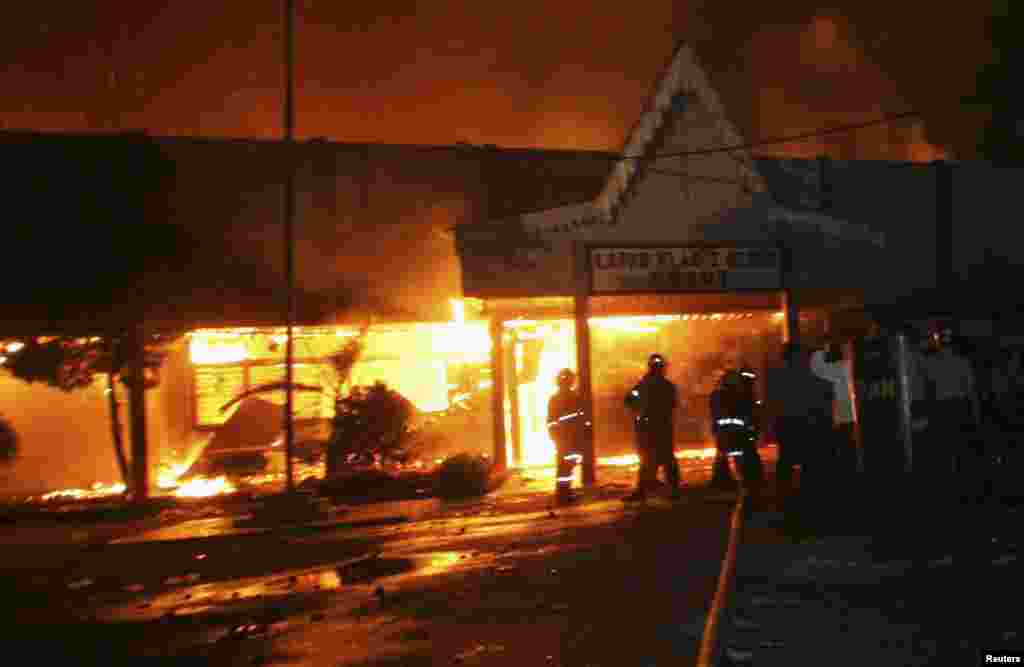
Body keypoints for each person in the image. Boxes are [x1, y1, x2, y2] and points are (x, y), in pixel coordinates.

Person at [764, 342, 835, 518]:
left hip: (789, 427)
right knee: (809, 465)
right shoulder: (814, 376)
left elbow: (771, 405)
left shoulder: (777, 378)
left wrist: (771, 427)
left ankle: (785, 503)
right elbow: (825, 399)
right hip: (808, 426)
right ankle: (809, 502)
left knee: (786, 464)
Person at [623, 353, 682, 502]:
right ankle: (672, 489)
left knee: (650, 459)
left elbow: (629, 400)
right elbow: (673, 404)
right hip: (660, 427)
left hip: (648, 427)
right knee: (665, 459)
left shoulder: (643, 384)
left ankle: (643, 491)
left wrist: (640, 411)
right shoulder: (667, 386)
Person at [710, 368, 764, 508]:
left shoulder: (719, 395)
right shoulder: (738, 394)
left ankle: (725, 481)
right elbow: (747, 413)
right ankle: (748, 481)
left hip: (728, 433)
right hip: (737, 433)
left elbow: (716, 414)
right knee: (740, 456)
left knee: (726, 456)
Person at [810, 342, 857, 485]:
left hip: (844, 418)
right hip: (850, 417)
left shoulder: (841, 368)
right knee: (850, 449)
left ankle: (845, 478)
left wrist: (820, 350)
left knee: (844, 451)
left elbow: (817, 368)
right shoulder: (848, 367)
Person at [547, 368, 587, 504]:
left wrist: (554, 437)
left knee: (565, 466)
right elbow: (580, 417)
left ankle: (564, 493)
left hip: (564, 438)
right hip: (569, 438)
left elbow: (551, 421)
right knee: (566, 466)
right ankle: (564, 495)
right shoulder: (574, 397)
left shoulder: (556, 398)